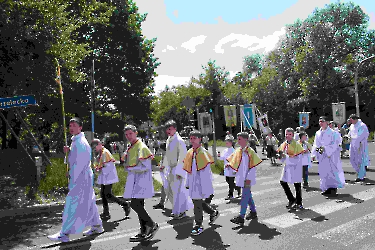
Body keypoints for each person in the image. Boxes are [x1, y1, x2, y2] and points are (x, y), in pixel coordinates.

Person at [47, 117, 104, 242]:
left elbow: (80, 164)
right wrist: (68, 153)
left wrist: (71, 174)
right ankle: (97, 225)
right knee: (89, 201)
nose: (71, 128)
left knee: (71, 204)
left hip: (81, 178)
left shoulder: (81, 142)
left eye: (74, 125)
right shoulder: (75, 141)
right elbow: (74, 159)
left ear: (80, 127)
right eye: (70, 125)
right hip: (82, 177)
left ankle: (65, 233)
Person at [122, 125, 159, 242]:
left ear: (136, 133)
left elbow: (145, 166)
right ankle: (143, 231)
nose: (128, 136)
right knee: (139, 205)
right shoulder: (132, 147)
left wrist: (131, 169)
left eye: (130, 134)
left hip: (141, 180)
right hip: (135, 179)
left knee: (135, 204)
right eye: (126, 134)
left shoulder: (141, 147)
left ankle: (152, 224)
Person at [153, 120, 193, 219]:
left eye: (170, 129)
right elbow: (167, 154)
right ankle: (176, 210)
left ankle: (180, 211)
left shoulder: (179, 140)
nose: (168, 131)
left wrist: (180, 171)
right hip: (170, 169)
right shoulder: (169, 139)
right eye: (167, 129)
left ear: (175, 128)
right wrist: (164, 165)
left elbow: (183, 157)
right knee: (170, 190)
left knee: (179, 192)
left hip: (177, 169)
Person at [183, 130, 219, 236]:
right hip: (193, 183)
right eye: (191, 138)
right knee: (197, 202)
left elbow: (206, 173)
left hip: (200, 184)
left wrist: (205, 188)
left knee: (197, 204)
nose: (192, 140)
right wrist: (188, 183)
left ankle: (198, 225)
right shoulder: (190, 152)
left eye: (195, 138)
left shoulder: (203, 153)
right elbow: (188, 170)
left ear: (200, 139)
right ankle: (213, 212)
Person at [91, 139, 130, 221]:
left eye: (95, 147)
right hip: (105, 176)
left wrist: (99, 169)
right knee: (103, 194)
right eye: (93, 148)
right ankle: (106, 212)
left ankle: (125, 204)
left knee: (108, 195)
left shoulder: (105, 153)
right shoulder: (101, 152)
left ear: (99, 144)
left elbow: (109, 167)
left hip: (108, 177)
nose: (95, 149)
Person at [228, 131, 262, 226]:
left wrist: (248, 178)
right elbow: (234, 160)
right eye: (237, 139)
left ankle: (241, 217)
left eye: (239, 139)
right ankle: (253, 212)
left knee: (244, 196)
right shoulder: (239, 150)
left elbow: (253, 166)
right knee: (248, 196)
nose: (238, 141)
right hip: (241, 176)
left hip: (248, 178)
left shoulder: (250, 152)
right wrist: (229, 164)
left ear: (246, 140)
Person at [311, 116, 345, 196]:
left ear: (327, 122)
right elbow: (315, 144)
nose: (321, 123)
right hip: (322, 156)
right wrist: (313, 154)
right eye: (319, 121)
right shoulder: (318, 133)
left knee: (332, 172)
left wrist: (326, 149)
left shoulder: (333, 133)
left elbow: (337, 143)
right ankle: (326, 188)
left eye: (322, 121)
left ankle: (333, 189)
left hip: (331, 156)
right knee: (323, 172)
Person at [277, 128, 305, 210]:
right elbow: (281, 155)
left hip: (296, 167)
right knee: (282, 182)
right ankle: (291, 199)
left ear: (293, 135)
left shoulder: (296, 145)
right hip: (287, 166)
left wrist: (287, 157)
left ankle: (299, 203)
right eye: (286, 134)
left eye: (289, 134)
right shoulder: (283, 144)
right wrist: (280, 156)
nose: (287, 136)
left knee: (297, 184)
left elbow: (298, 159)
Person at [348, 114, 370, 181]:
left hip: (361, 144)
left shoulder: (362, 125)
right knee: (352, 159)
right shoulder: (352, 125)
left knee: (360, 160)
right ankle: (359, 172)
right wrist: (347, 137)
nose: (350, 121)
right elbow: (350, 133)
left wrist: (354, 138)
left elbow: (361, 136)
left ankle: (361, 176)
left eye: (351, 120)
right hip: (353, 144)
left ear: (355, 119)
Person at [220, 134, 241, 200]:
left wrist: (235, 170)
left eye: (228, 142)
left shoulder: (234, 151)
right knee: (228, 180)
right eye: (226, 142)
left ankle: (230, 195)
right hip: (226, 169)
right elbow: (222, 158)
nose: (226, 143)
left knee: (231, 182)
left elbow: (236, 161)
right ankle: (237, 187)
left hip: (232, 169)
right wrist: (219, 156)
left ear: (231, 143)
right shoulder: (225, 150)